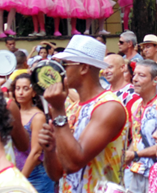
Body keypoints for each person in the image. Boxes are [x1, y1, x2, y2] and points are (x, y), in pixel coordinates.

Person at [37, 35, 128, 193]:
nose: (61, 71)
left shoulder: (109, 107)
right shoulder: (72, 108)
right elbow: (57, 173)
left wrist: (58, 111)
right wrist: (50, 150)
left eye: (65, 64)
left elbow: (73, 164)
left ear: (84, 67)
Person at [125, 60, 157, 193]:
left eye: (141, 75)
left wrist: (135, 154)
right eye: (134, 75)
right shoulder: (136, 105)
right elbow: (136, 138)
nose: (135, 79)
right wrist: (128, 156)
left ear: (155, 80)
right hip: (137, 170)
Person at [10, 74, 54, 193]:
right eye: (17, 88)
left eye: (25, 88)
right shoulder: (14, 113)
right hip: (16, 171)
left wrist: (19, 180)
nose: (20, 92)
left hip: (36, 175)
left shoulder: (38, 116)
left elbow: (36, 152)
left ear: (34, 92)